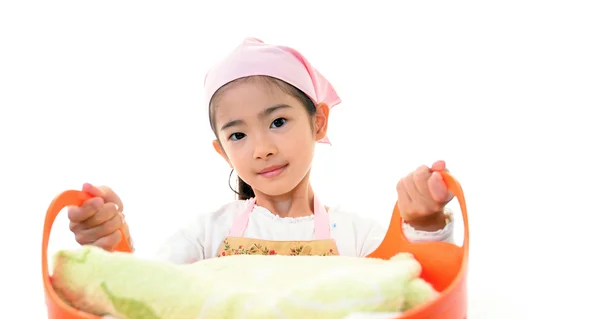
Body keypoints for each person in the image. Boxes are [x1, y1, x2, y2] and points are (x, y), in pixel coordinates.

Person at [67, 37, 455, 263]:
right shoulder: (207, 235)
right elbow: (146, 291)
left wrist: (423, 225)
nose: (262, 149)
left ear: (318, 121)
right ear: (222, 152)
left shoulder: (357, 237)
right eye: (238, 136)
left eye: (278, 122)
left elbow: (413, 287)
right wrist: (110, 243)